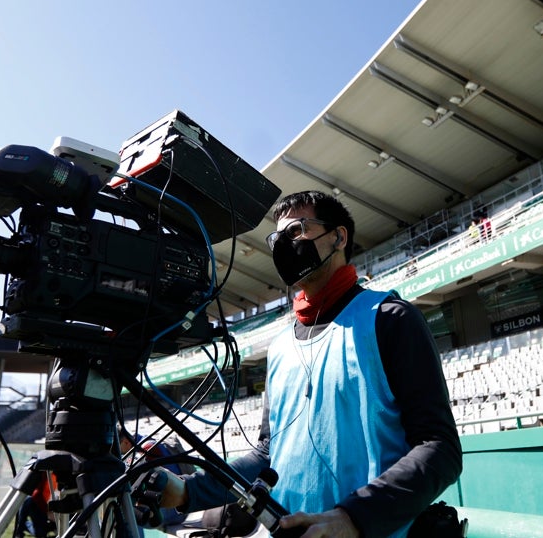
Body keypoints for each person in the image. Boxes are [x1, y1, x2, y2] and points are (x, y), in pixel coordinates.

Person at [158, 189, 462, 537]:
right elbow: (268, 454)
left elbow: (440, 448)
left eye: (296, 231)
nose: (284, 247)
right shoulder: (280, 345)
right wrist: (187, 490)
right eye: (278, 239)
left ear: (338, 237)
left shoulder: (391, 318)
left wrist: (352, 519)